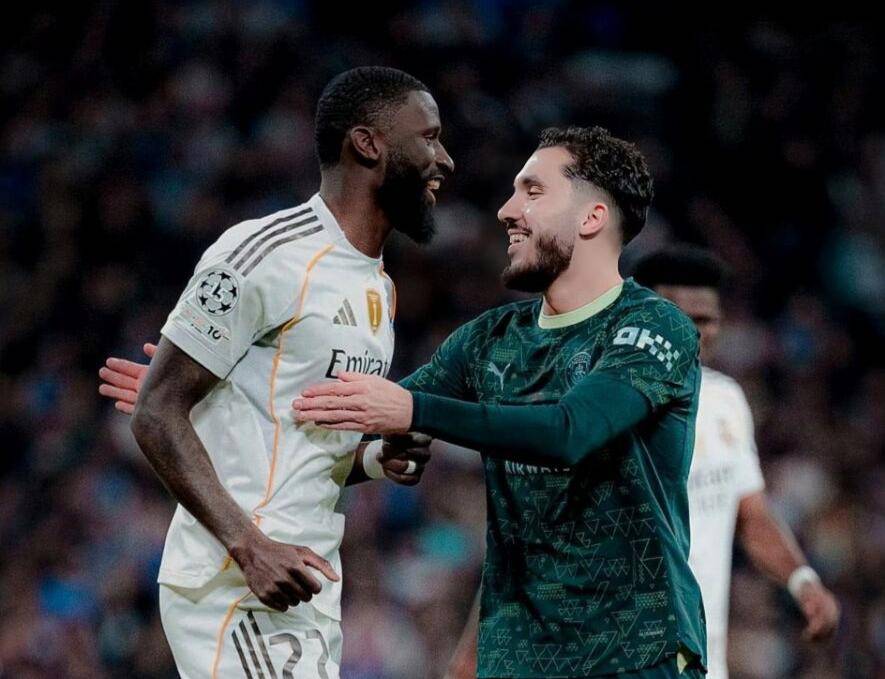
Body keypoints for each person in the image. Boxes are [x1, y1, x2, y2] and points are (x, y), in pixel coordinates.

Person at [293, 126, 707, 678]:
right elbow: (349, 425)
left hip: (634, 652)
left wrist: (416, 412)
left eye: (533, 191)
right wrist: (222, 397)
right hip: (516, 657)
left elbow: (570, 432)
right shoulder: (488, 341)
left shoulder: (655, 326)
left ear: (592, 218)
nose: (507, 210)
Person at [100, 65, 453, 679]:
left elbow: (293, 442)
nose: (444, 159)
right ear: (368, 144)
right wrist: (249, 546)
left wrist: (375, 459)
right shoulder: (265, 253)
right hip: (238, 579)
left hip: (302, 582)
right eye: (428, 137)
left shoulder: (378, 286)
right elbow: (156, 411)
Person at [443, 245, 841, 679]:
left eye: (706, 320)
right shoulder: (594, 412)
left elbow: (752, 514)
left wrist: (802, 580)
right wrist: (472, 653)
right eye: (679, 315)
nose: (693, 332)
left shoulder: (726, 401)